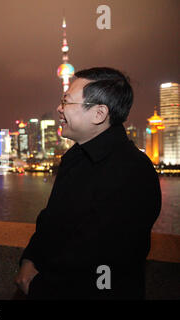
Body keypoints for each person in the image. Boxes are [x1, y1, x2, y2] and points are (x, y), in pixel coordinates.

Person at [15, 67, 161, 300]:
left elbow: (100, 256)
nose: (59, 108)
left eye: (66, 102)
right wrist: (29, 259)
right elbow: (50, 220)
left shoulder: (132, 171)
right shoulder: (75, 157)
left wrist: (39, 287)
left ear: (99, 114)